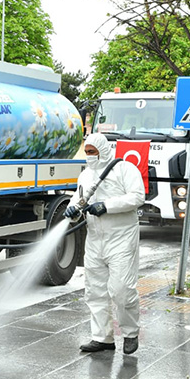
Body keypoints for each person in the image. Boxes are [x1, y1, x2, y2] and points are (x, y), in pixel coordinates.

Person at [64, 133, 145, 354]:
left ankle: (130, 333)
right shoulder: (85, 175)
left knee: (121, 289)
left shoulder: (125, 169)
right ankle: (102, 338)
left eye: (93, 152)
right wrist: (72, 211)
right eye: (87, 152)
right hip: (95, 239)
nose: (89, 156)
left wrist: (106, 205)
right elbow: (78, 198)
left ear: (103, 150)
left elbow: (138, 197)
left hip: (121, 238)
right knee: (95, 291)